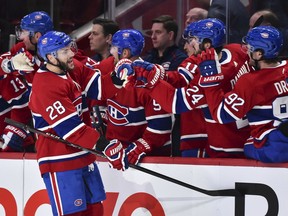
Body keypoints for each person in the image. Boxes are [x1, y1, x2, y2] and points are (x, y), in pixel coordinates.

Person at [29, 30, 128, 215]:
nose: (72, 55)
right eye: (65, 51)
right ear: (50, 56)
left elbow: (99, 88)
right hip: (60, 161)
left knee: (96, 211)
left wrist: (118, 78)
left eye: (70, 49)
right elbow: (71, 130)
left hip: (84, 155)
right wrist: (105, 146)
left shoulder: (72, 67)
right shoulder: (45, 85)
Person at [125, 18, 253, 158]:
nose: (190, 43)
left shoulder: (209, 78)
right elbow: (182, 76)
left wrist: (150, 81)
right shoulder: (235, 50)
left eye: (195, 39)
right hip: (244, 136)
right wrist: (155, 71)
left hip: (226, 147)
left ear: (207, 44)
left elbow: (175, 102)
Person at [198, 26, 288, 163]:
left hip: (274, 147)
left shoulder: (251, 82)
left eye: (249, 48)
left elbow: (222, 114)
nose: (246, 52)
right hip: (283, 134)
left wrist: (212, 84)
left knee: (247, 146)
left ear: (259, 54)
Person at [107, 29, 173, 164]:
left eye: (113, 48)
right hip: (118, 155)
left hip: (149, 159)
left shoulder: (149, 80)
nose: (110, 52)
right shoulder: (113, 75)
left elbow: (161, 127)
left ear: (125, 52)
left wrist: (140, 147)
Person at [0, 11, 54, 152]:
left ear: (37, 36)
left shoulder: (57, 56)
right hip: (29, 119)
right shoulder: (21, 50)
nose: (21, 37)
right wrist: (8, 65)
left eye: (24, 32)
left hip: (53, 119)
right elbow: (2, 61)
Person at [144, 14, 187, 156]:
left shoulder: (180, 58)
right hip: (150, 121)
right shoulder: (148, 58)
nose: (153, 36)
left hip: (174, 122)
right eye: (152, 33)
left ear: (170, 35)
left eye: (158, 32)